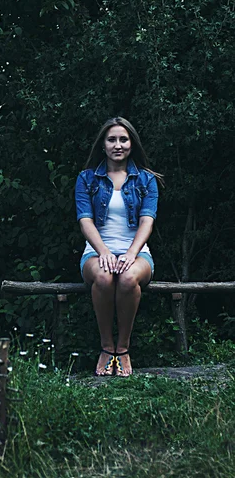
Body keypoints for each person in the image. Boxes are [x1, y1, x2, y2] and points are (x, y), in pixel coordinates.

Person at [75, 117, 163, 377]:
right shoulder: (86, 178)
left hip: (137, 253)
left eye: (123, 139)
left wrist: (130, 255)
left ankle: (122, 350)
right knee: (103, 277)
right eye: (111, 139)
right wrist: (103, 252)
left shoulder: (146, 180)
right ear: (103, 144)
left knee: (126, 279)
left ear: (131, 144)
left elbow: (148, 222)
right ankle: (106, 347)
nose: (117, 145)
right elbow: (85, 220)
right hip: (95, 252)